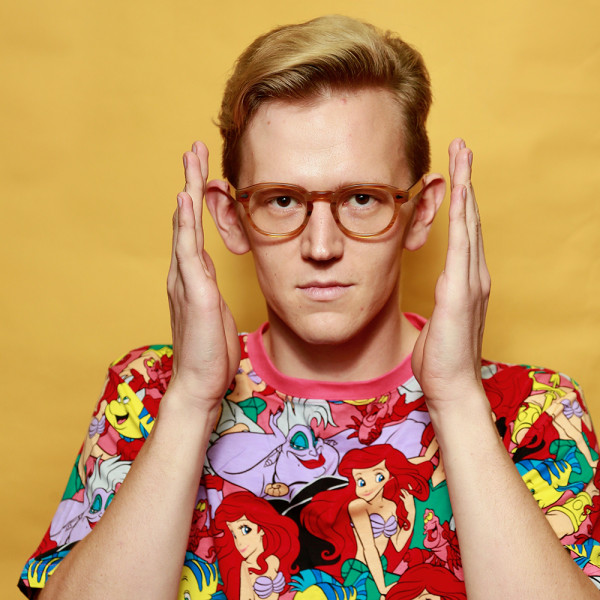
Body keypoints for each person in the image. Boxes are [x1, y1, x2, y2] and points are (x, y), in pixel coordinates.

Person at [18, 14, 600, 600]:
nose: (322, 247)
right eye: (282, 200)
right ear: (231, 218)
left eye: (362, 197)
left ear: (420, 213)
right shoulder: (148, 395)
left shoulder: (537, 412)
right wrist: (192, 400)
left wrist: (456, 399)